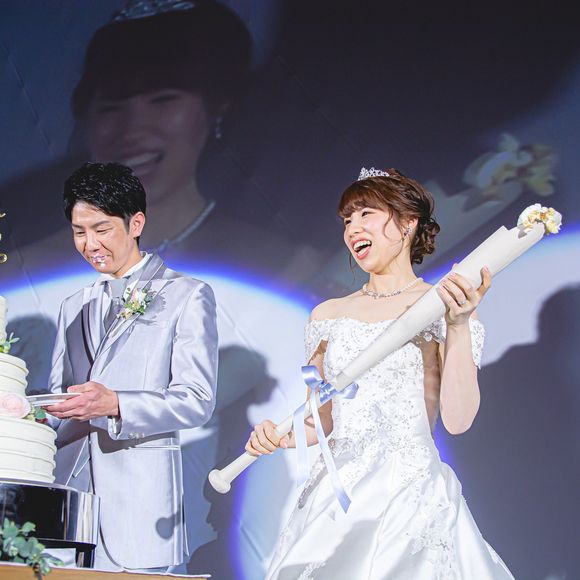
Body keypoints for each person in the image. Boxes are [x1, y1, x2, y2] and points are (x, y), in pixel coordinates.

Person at [246, 167, 515, 579]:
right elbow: (320, 420)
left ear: (408, 223)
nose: (353, 228)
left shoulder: (443, 304)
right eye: (347, 220)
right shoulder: (327, 316)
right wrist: (279, 435)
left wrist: (459, 324)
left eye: (366, 213)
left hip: (409, 493)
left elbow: (459, 420)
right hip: (336, 499)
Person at [45, 161, 218, 573]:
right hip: (69, 499)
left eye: (101, 229)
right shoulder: (73, 305)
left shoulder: (187, 295)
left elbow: (196, 400)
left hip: (138, 504)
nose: (90, 244)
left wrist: (116, 404)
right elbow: (60, 397)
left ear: (135, 223)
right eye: (79, 232)